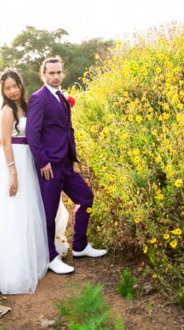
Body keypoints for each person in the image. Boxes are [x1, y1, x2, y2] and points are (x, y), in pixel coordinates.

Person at [0, 68, 66, 294]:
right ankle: (13, 267)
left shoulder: (26, 105)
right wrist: (13, 174)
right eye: (7, 88)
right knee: (14, 210)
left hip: (29, 160)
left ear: (20, 85)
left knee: (31, 208)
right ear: (3, 91)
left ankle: (38, 254)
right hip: (14, 161)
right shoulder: (7, 110)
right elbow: (6, 143)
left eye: (15, 86)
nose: (12, 91)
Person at [27, 56, 107, 275]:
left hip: (66, 163)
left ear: (62, 73)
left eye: (58, 72)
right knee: (49, 212)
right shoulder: (38, 99)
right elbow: (33, 133)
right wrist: (42, 161)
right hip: (49, 166)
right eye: (51, 73)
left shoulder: (63, 97)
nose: (55, 76)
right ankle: (51, 257)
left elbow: (67, 129)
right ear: (43, 75)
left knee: (86, 197)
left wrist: (73, 158)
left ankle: (80, 245)